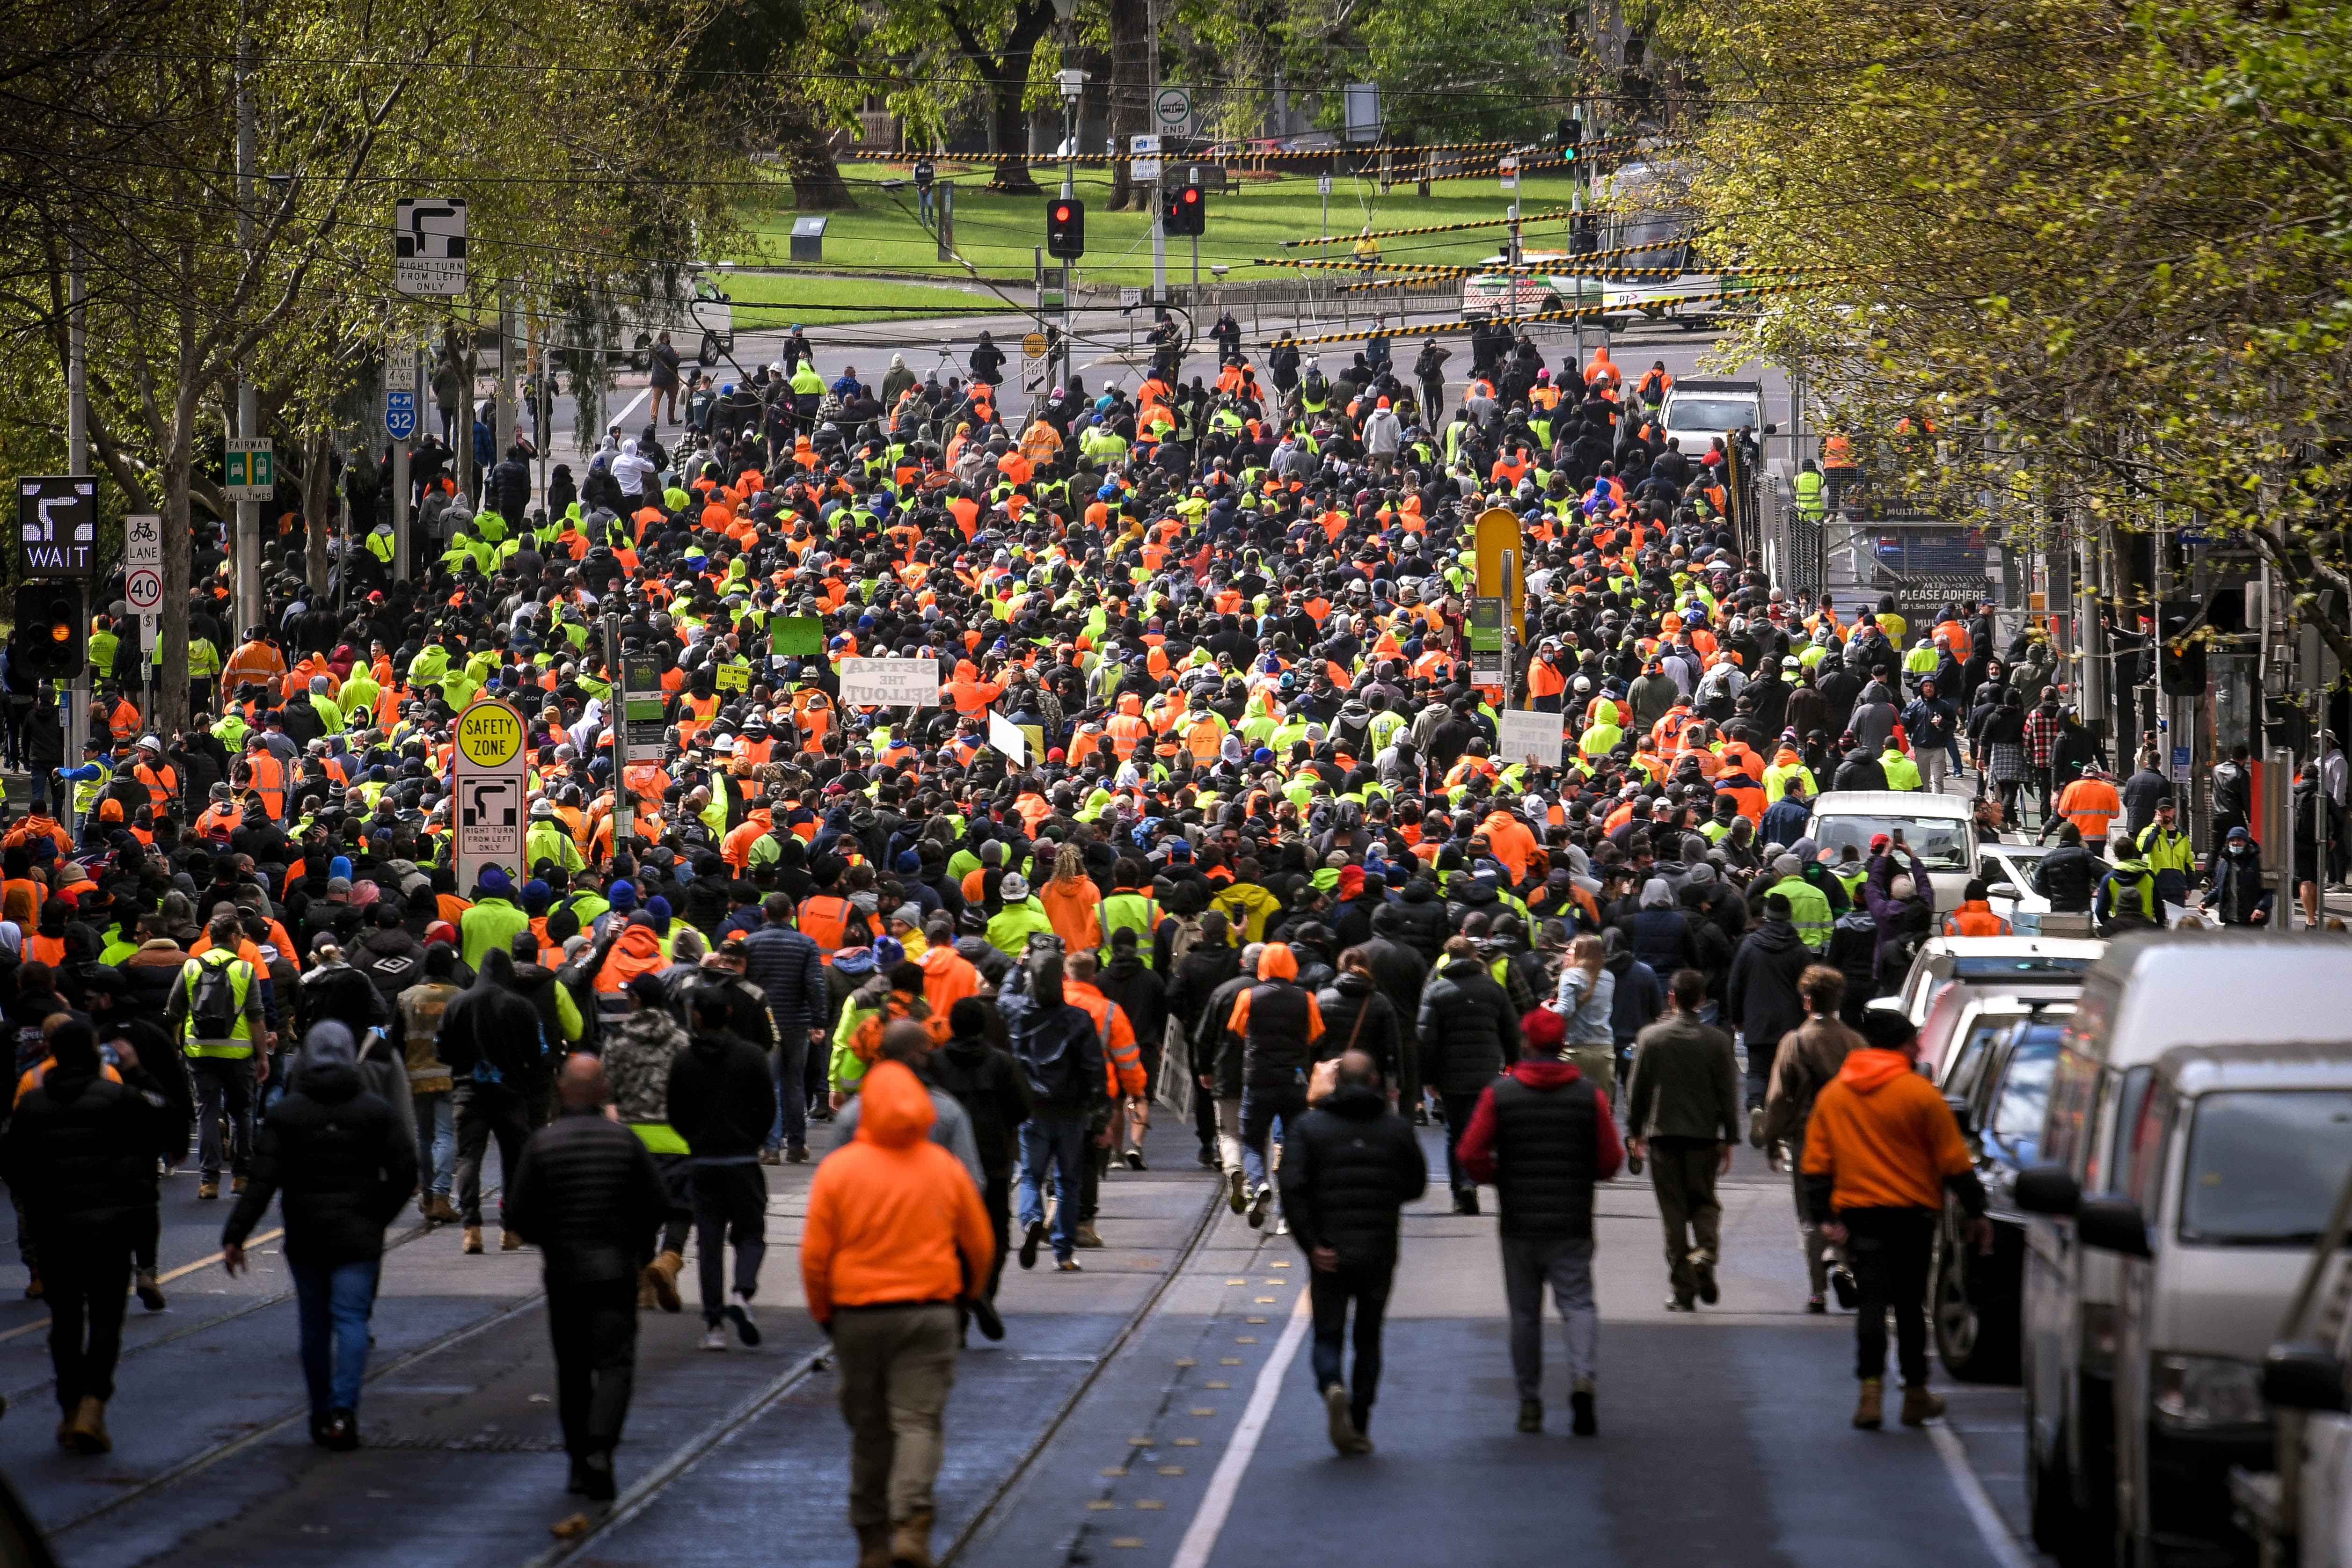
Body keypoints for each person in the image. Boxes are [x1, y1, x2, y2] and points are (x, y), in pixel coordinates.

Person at [801, 1058, 995, 1568]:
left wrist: (825, 1313)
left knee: (868, 1426)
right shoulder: (943, 1168)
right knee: (917, 1419)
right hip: (930, 1310)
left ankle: (870, 1536)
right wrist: (965, 1296)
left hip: (857, 1314)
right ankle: (910, 1521)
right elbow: (979, 1243)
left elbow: (815, 1256)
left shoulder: (840, 1170)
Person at [223, 1021, 418, 1451]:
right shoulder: (373, 1110)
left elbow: (262, 1181)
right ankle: (345, 1410)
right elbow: (406, 1170)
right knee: (351, 1318)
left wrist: (236, 1234)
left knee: (314, 1325)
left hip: (306, 1231)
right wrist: (377, 1214)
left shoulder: (288, 1113)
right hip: (359, 1233)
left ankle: (320, 1410)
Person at [1801, 1008, 1989, 1429]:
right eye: (1914, 1041)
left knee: (1871, 1303)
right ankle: (1915, 1395)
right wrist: (1976, 1211)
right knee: (1909, 1305)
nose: (1920, 1048)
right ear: (1901, 1046)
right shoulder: (1921, 1095)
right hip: (1912, 1217)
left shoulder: (1835, 1095)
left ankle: (1870, 1396)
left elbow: (1815, 1164)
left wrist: (1825, 1217)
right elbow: (1954, 1162)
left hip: (1858, 1218)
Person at [0, 1016, 179, 1454]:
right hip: (110, 1228)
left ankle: (68, 1408)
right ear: (95, 1050)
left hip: (55, 1229)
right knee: (104, 1319)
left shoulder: (33, 1105)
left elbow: (14, 1165)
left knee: (64, 1322)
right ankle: (92, 1405)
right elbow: (165, 1112)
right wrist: (136, 1069)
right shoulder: (117, 1096)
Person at [505, 1054, 669, 1500]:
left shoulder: (544, 1144)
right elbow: (657, 1202)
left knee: (573, 1369)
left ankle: (579, 1462)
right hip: (616, 1270)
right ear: (604, 1092)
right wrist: (633, 1244)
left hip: (565, 1272)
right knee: (615, 1363)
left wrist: (552, 1240)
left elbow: (519, 1213)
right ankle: (602, 1449)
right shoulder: (625, 1142)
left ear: (561, 1090)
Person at [1457, 1001, 1624, 1436]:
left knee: (1525, 1314)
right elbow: (1610, 1160)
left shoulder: (1501, 1094)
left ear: (1528, 1043)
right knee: (1578, 1303)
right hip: (1572, 1217)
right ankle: (1583, 1377)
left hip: (1519, 1220)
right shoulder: (1590, 1095)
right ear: (1563, 1044)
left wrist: (1495, 1176)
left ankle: (1529, 1401)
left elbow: (1470, 1152)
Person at [1278, 1050, 1425, 1455]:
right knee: (1369, 1335)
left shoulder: (1309, 1128)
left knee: (1328, 1332)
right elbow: (1416, 1185)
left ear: (1337, 1082)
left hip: (1330, 1250)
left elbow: (1292, 1189)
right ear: (1376, 1080)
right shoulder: (1395, 1128)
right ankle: (1359, 1420)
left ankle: (1331, 1384)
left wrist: (1312, 1244)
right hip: (1378, 1249)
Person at [1623, 969, 1742, 1312]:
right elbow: (1727, 1092)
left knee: (1673, 1211)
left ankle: (1682, 1287)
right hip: (1704, 1136)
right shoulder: (1718, 1041)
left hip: (1664, 1136)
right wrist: (1730, 1137)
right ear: (1702, 1000)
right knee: (1705, 1201)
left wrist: (1635, 1132)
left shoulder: (1651, 1037)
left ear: (1671, 998)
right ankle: (1705, 1250)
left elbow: (1637, 1090)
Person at [669, 983, 779, 1350]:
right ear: (730, 1013)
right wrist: (753, 1139)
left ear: (697, 1016)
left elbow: (675, 1111)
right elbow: (767, 1108)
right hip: (743, 1158)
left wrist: (696, 1139)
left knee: (710, 1241)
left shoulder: (684, 1060)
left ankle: (713, 1324)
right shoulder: (750, 1056)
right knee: (750, 1234)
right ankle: (742, 1292)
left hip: (702, 1160)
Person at [1761, 965, 1865, 1312]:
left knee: (1810, 1216)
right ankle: (1844, 1266)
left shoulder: (1795, 1043)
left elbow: (1778, 1099)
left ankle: (1818, 1292)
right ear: (1838, 1000)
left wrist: (1771, 1139)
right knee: (1847, 1210)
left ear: (1807, 1000)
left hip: (1809, 1140)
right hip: (1850, 1142)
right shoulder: (1856, 1042)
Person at [1001, 940, 1104, 1272]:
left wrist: (1017, 967)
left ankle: (1031, 1219)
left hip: (1033, 1108)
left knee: (1030, 1174)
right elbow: (1093, 1068)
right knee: (1068, 1180)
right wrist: (1099, 1111)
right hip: (1071, 1110)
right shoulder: (1078, 1018)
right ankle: (1064, 1250)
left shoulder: (1018, 1012)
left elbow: (1004, 996)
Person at [166, 908, 270, 1201]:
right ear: (234, 937)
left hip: (199, 1050)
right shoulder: (245, 969)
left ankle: (209, 1181)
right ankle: (241, 1176)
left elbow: (173, 1011)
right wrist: (263, 1056)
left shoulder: (190, 967)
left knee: (207, 1113)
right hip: (238, 1053)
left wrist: (177, 1044)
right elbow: (256, 1017)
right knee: (241, 1113)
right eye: (241, 934)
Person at [1223, 940, 1325, 1229]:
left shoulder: (1248, 996)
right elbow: (1317, 1036)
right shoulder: (1306, 998)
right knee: (1293, 1144)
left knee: (1253, 1142)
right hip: (1294, 1081)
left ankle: (1259, 1185)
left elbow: (1236, 1030)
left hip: (1258, 1079)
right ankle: (1286, 1213)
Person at [1418, 934, 1520, 1215]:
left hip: (1450, 1073)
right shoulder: (1493, 990)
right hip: (1487, 1070)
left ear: (1448, 958)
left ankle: (1461, 1186)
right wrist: (1515, 1064)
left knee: (1455, 1131)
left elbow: (1426, 1038)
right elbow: (1511, 1031)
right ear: (1475, 956)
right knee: (1484, 1128)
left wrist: (1427, 1077)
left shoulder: (1437, 991)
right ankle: (1476, 1178)